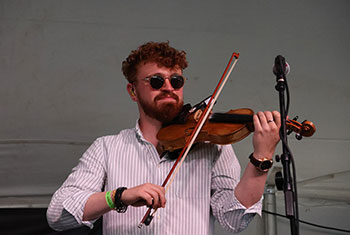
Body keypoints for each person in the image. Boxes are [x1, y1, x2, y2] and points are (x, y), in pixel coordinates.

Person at [47, 41, 281, 234]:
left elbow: (235, 219)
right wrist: (119, 196)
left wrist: (261, 157)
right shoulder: (107, 147)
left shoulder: (212, 145)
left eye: (176, 81)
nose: (168, 87)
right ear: (132, 91)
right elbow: (58, 215)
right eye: (157, 81)